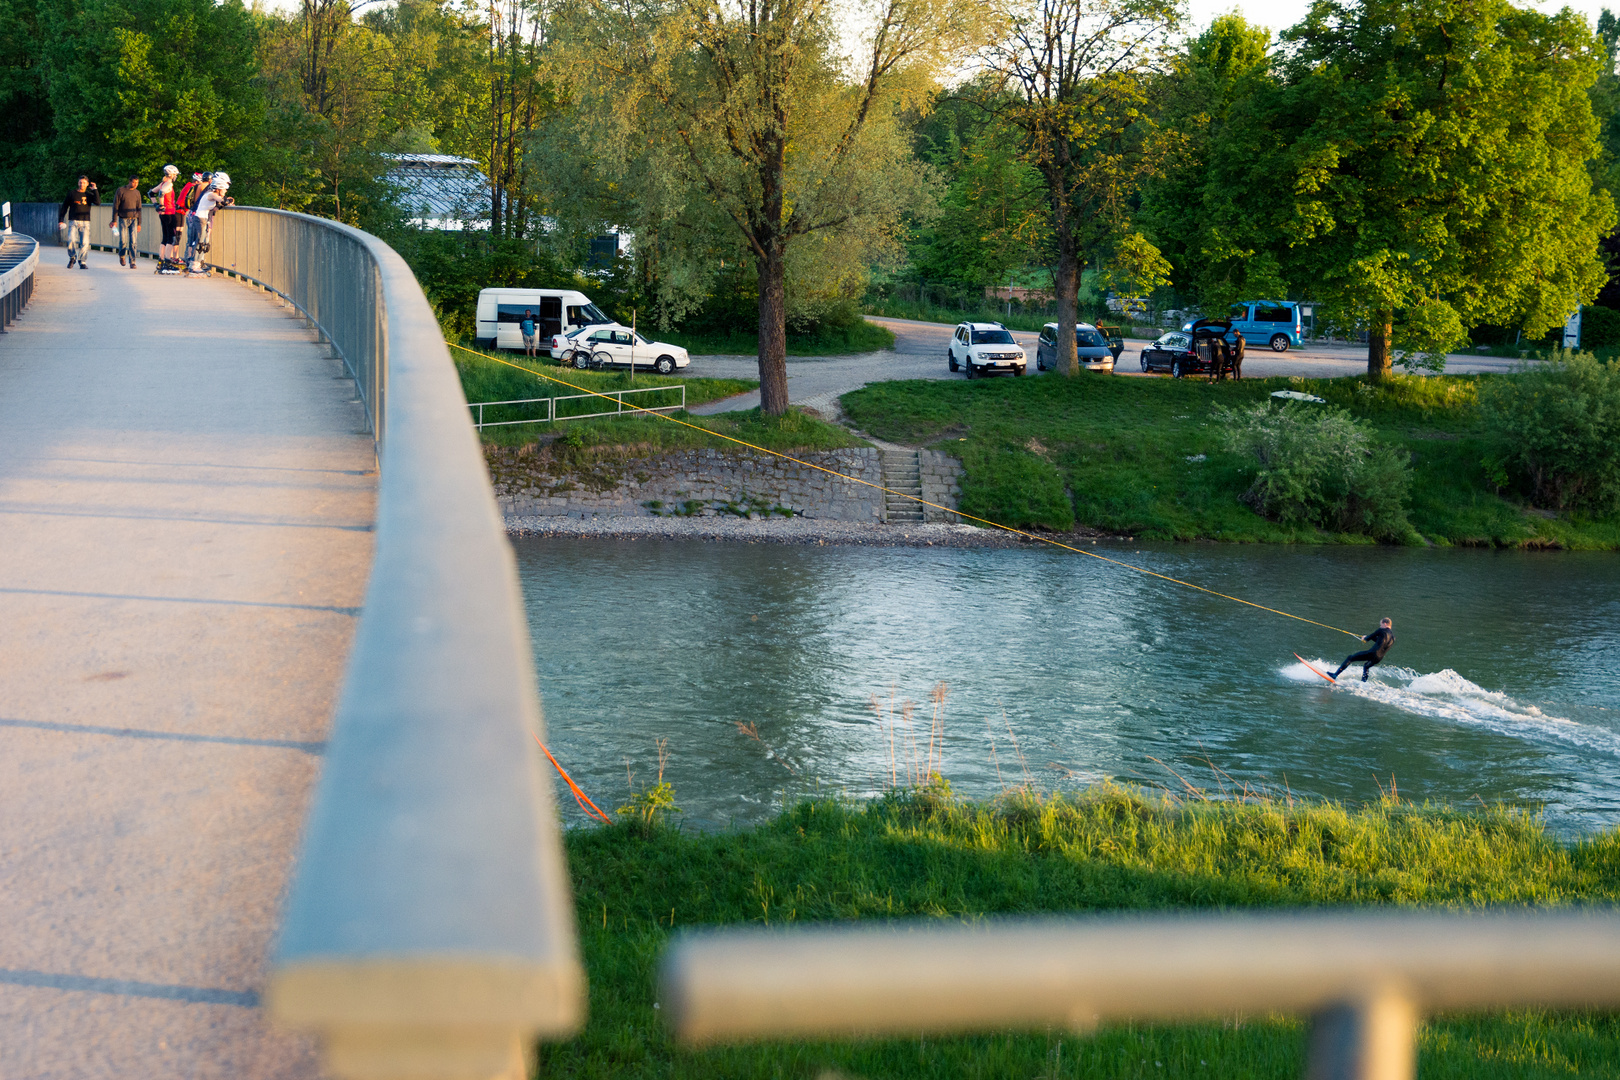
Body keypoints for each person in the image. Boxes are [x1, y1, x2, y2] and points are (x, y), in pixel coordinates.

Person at [186, 171, 233, 274]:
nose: (225, 191)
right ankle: (194, 265)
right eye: (224, 189)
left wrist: (224, 203)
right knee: (200, 243)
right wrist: (228, 201)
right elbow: (221, 200)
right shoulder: (211, 194)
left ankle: (195, 264)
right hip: (200, 219)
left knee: (202, 243)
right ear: (219, 187)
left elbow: (215, 208)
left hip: (201, 219)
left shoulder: (210, 194)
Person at [1330, 618, 1395, 681]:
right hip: (1379, 658)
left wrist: (1365, 637)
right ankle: (1363, 682)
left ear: (1385, 624)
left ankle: (1335, 675)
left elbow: (1367, 638)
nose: (1380, 626)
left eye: (1381, 625)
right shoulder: (1393, 638)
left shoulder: (1381, 630)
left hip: (1372, 653)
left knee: (1350, 658)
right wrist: (1368, 638)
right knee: (1366, 666)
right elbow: (1379, 641)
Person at [58, 175, 100, 269]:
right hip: (73, 221)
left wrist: (95, 189)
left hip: (85, 222)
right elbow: (64, 207)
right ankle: (72, 258)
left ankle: (82, 261)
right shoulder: (72, 193)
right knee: (71, 240)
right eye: (80, 182)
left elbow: (98, 202)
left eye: (84, 183)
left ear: (87, 184)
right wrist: (60, 220)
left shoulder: (89, 195)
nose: (82, 184)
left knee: (85, 243)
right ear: (78, 183)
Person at [148, 165, 181, 263]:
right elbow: (161, 193)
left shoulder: (163, 183)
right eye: (175, 174)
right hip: (169, 212)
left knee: (165, 237)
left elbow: (150, 193)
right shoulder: (168, 184)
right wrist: (161, 205)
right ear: (172, 174)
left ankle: (161, 260)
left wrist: (156, 205)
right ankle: (167, 261)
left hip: (163, 214)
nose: (176, 177)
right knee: (171, 237)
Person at [111, 174, 142, 268]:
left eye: (137, 182)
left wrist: (139, 223)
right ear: (129, 181)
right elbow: (115, 205)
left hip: (134, 219)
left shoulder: (137, 193)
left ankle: (132, 261)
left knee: (133, 241)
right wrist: (114, 220)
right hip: (123, 219)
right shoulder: (121, 190)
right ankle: (122, 255)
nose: (135, 184)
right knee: (123, 240)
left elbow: (139, 208)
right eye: (133, 182)